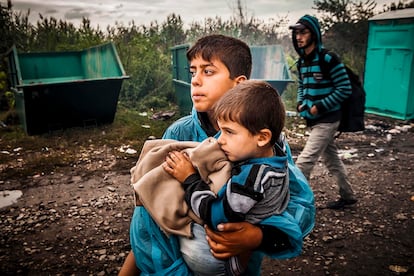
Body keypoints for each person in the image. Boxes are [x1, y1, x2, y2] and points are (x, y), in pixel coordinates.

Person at [119, 34, 315, 276]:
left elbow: (298, 202)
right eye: (193, 72)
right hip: (178, 262)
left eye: (208, 71)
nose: (196, 81)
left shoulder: (261, 141)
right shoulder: (179, 133)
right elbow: (151, 212)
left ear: (239, 83)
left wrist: (258, 236)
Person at [163, 80, 290, 275]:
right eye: (221, 130)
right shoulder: (275, 152)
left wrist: (189, 179)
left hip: (221, 258)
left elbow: (216, 216)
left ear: (263, 137)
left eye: (229, 132)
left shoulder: (252, 178)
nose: (220, 139)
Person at [289, 15, 357, 209]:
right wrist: (301, 102)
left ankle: (297, 205)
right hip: (314, 119)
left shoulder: (328, 59)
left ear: (314, 33)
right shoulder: (302, 62)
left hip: (328, 119)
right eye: (296, 33)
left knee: (304, 162)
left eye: (303, 32)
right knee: (332, 159)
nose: (299, 37)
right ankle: (348, 195)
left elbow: (344, 88)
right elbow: (302, 85)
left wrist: (320, 106)